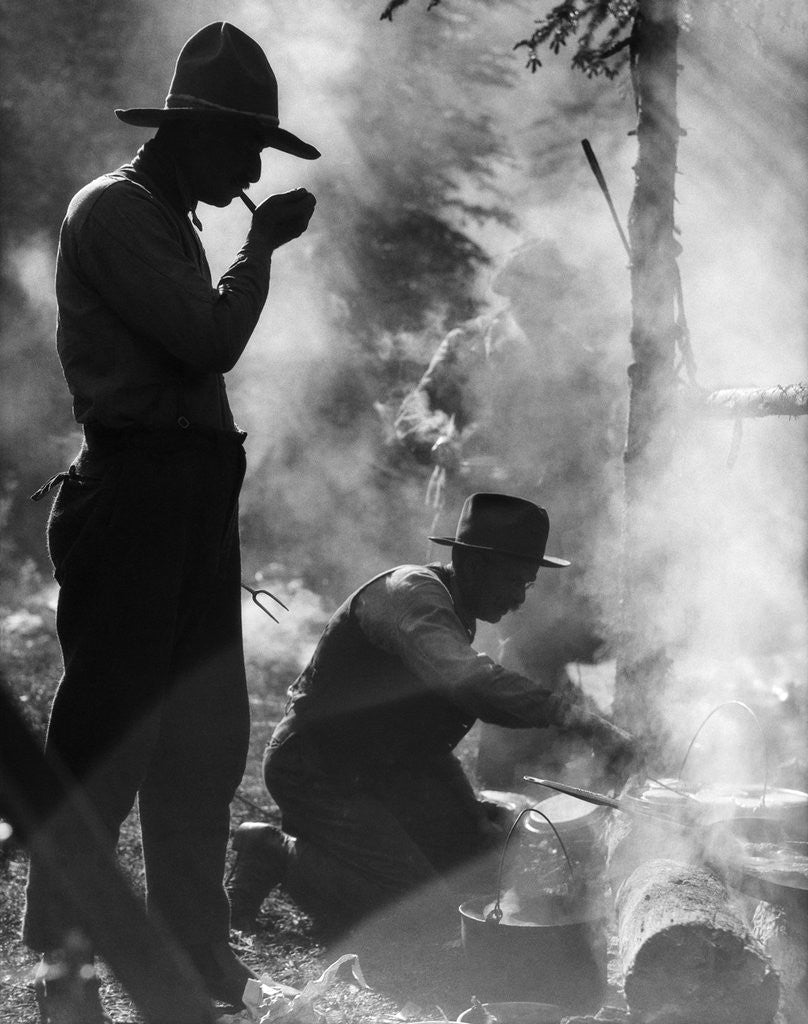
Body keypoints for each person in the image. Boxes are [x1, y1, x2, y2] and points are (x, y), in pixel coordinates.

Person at [23, 22, 318, 1020]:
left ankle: (195, 955)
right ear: (195, 133)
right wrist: (262, 251)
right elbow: (206, 340)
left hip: (186, 499)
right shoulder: (116, 212)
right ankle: (62, 960)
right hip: (136, 497)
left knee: (202, 736)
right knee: (110, 733)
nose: (248, 169)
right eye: (243, 147)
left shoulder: (167, 214)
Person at [226, 493, 642, 939]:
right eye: (514, 580)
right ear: (473, 563)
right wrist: (578, 719)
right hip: (320, 769)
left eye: (528, 583)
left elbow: (422, 733)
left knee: (481, 865)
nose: (520, 598)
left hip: (392, 768)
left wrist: (473, 821)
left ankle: (350, 853)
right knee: (416, 913)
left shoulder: (455, 608)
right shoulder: (413, 595)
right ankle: (273, 851)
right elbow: (470, 682)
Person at [393, 241, 625, 791]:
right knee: (443, 641)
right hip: (466, 525)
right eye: (530, 292)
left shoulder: (580, 361)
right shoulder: (470, 345)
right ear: (512, 292)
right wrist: (434, 439)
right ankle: (419, 773)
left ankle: (506, 786)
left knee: (527, 650)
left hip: (535, 533)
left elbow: (594, 456)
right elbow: (416, 407)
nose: (541, 306)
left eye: (553, 295)